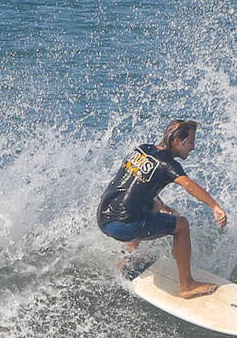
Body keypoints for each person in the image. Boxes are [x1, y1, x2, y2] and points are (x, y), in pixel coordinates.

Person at [97, 119, 227, 298]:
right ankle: (187, 286)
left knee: (154, 205)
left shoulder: (142, 149)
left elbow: (134, 185)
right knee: (182, 226)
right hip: (122, 225)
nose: (193, 147)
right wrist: (215, 206)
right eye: (190, 142)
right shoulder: (168, 165)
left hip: (104, 217)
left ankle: (126, 258)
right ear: (176, 142)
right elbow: (189, 186)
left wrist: (162, 205)